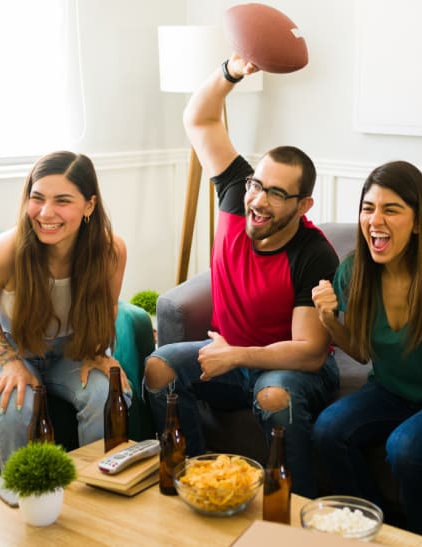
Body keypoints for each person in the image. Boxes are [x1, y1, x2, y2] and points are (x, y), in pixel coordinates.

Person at [143, 54, 339, 497]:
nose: (259, 199)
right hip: (229, 356)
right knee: (158, 368)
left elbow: (309, 352)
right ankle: (195, 484)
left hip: (290, 368)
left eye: (276, 192)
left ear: (303, 205)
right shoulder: (235, 194)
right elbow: (199, 117)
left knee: (275, 397)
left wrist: (238, 355)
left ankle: (294, 510)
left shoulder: (314, 254)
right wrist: (231, 71)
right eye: (257, 184)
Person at [310, 160, 422, 538]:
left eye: (391, 209)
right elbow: (360, 352)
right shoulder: (353, 271)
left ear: (419, 221)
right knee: (328, 429)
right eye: (368, 208)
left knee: (405, 446)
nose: (376, 220)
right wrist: (329, 321)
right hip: (390, 389)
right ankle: (377, 531)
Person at [0, 151, 131, 468]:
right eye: (37, 198)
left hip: (74, 348)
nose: (45, 212)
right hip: (11, 345)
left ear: (89, 206)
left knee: (106, 394)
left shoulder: (111, 250)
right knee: (14, 404)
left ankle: (97, 494)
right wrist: (11, 362)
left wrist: (98, 350)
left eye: (63, 201)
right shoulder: (2, 252)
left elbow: (107, 305)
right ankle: (25, 501)